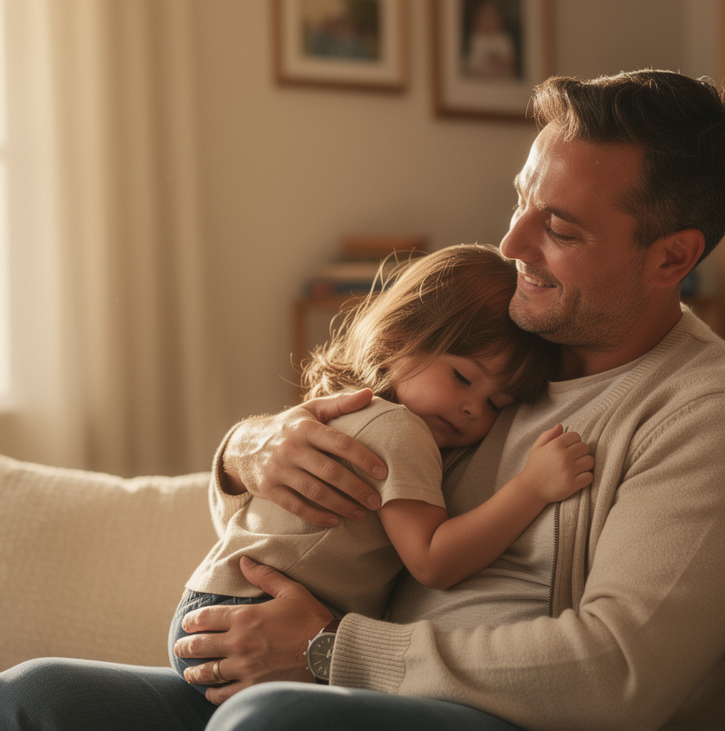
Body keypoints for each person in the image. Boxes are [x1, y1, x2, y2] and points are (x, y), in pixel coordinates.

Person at [0, 69, 725, 731]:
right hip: (363, 697)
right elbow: (324, 512)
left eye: (559, 226)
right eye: (520, 200)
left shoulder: (718, 425)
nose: (512, 243)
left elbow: (618, 676)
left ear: (673, 256)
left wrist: (334, 652)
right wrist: (246, 454)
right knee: (27, 703)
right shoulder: (503, 350)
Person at [171, 244, 593, 693]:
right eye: (463, 378)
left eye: (495, 404)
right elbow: (434, 561)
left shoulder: (356, 417)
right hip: (250, 613)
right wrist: (532, 487)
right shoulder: (401, 430)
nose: (472, 409)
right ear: (398, 337)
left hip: (216, 601)